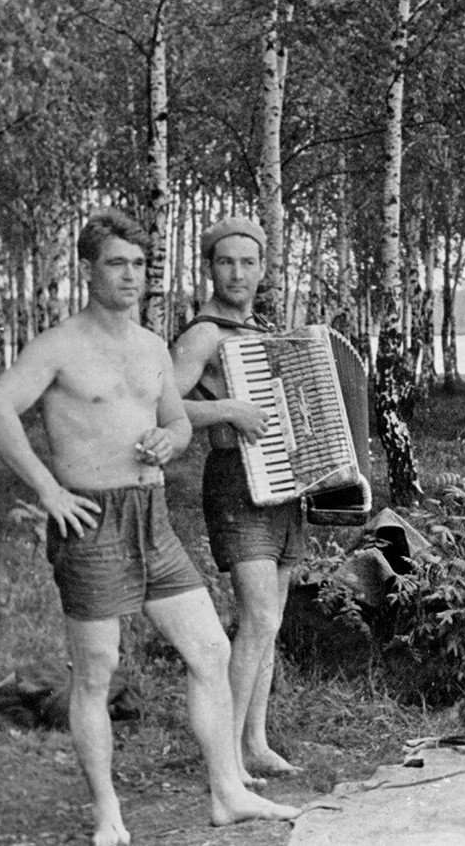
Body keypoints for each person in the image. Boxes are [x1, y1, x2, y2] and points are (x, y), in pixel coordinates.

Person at [0, 210, 300, 846]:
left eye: (139, 266)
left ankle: (227, 793)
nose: (131, 276)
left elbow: (178, 423)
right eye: (116, 264)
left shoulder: (153, 346)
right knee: (96, 671)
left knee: (212, 650)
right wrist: (48, 491)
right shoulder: (58, 345)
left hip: (151, 519)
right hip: (90, 518)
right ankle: (108, 815)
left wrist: (168, 440)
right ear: (90, 269)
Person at [170, 217, 301, 778]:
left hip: (282, 486)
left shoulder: (261, 331)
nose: (238, 273)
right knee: (260, 618)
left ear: (263, 269)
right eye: (227, 262)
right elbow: (162, 407)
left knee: (269, 621)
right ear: (210, 267)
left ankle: (255, 741)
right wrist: (225, 410)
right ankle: (226, 755)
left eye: (249, 263)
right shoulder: (201, 335)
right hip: (234, 485)